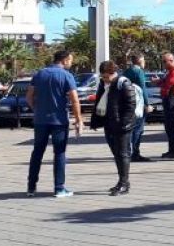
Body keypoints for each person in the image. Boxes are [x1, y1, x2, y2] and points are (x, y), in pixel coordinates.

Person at [25, 50, 83, 198]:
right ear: (64, 60)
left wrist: (36, 109)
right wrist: (79, 119)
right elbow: (75, 100)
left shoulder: (39, 74)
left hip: (40, 120)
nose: (71, 62)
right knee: (59, 153)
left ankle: (31, 187)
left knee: (37, 152)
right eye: (70, 60)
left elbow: (29, 96)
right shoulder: (66, 76)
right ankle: (59, 188)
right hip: (59, 121)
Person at [90, 61, 137, 196]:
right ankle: (122, 182)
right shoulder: (103, 84)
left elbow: (130, 105)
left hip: (122, 126)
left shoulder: (123, 83)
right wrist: (95, 121)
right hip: (109, 123)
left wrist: (124, 124)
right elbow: (100, 102)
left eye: (106, 77)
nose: (105, 79)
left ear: (114, 73)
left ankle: (124, 183)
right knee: (116, 153)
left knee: (122, 154)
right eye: (103, 77)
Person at [122, 53, 152, 162]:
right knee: (138, 129)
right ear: (140, 61)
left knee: (131, 129)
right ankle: (135, 153)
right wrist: (147, 104)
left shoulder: (127, 71)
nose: (145, 62)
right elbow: (142, 88)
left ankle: (127, 152)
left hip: (128, 103)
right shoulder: (138, 72)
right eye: (144, 60)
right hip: (138, 104)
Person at [156, 52, 174, 159]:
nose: (163, 64)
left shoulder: (173, 72)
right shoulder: (172, 71)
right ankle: (172, 150)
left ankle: (173, 151)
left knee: (171, 128)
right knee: (170, 128)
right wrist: (159, 82)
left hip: (172, 101)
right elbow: (165, 83)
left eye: (164, 61)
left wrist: (160, 83)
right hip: (172, 100)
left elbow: (168, 85)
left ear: (171, 61)